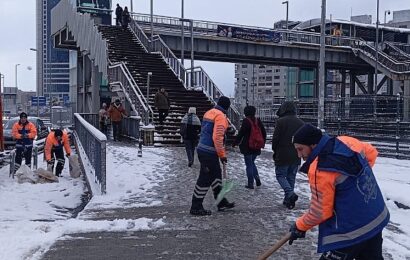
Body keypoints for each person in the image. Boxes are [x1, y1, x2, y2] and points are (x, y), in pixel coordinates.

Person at [288, 123, 390, 259]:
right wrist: (355, 181)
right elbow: (371, 153)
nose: (299, 155)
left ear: (313, 145)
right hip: (375, 218)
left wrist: (299, 226)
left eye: (300, 149)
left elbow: (319, 212)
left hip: (351, 230)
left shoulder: (320, 168)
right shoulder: (345, 141)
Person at [190, 96, 235, 216]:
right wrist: (222, 155)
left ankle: (221, 202)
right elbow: (217, 137)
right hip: (210, 151)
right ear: (227, 107)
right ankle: (196, 206)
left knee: (216, 176)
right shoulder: (220, 116)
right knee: (205, 178)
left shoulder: (209, 112)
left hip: (203, 148)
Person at [271, 101, 304, 209]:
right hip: (296, 153)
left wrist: (274, 149)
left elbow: (276, 138)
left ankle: (290, 194)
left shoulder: (280, 122)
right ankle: (288, 201)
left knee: (280, 175)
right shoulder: (300, 122)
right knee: (291, 177)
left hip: (282, 153)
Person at [232, 105, 266, 189]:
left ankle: (250, 184)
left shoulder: (246, 121)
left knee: (249, 165)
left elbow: (241, 133)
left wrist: (235, 143)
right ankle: (257, 178)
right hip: (256, 146)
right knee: (252, 162)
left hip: (247, 146)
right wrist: (262, 142)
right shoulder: (258, 120)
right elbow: (264, 132)